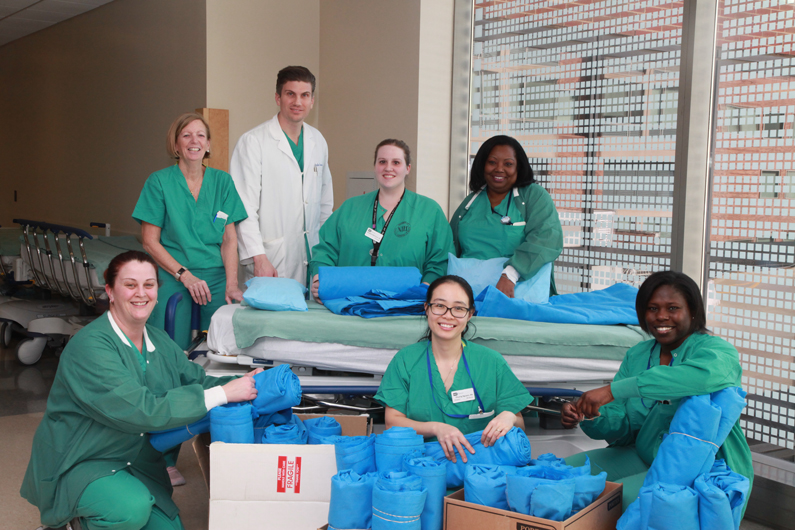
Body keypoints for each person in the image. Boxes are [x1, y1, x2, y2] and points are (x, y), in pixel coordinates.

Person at [21, 251, 261, 530]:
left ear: (157, 291)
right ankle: (70, 525)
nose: (141, 293)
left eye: (149, 285)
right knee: (130, 510)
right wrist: (224, 394)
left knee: (168, 527)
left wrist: (251, 383)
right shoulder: (90, 347)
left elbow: (196, 381)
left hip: (134, 460)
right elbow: (140, 409)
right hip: (81, 459)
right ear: (110, 291)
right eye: (130, 284)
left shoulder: (159, 340)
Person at [560, 270, 753, 513]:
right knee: (560, 475)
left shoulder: (717, 351)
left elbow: (693, 379)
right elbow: (623, 422)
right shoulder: (638, 354)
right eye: (652, 308)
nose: (661, 316)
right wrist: (590, 413)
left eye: (673, 308)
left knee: (612, 503)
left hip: (700, 465)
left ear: (692, 311)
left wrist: (612, 390)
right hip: (642, 454)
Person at [374, 275, 532, 462]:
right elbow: (393, 424)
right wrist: (436, 428)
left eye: (458, 308)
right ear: (427, 309)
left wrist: (508, 417)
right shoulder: (405, 360)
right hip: (420, 466)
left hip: (481, 470)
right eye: (440, 306)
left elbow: (519, 423)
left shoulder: (491, 362)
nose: (448, 315)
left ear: (470, 314)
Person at [133, 112, 248, 351]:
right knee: (168, 339)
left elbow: (229, 240)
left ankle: (215, 387)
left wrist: (232, 283)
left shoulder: (222, 182)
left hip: (216, 276)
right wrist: (184, 275)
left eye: (200, 136)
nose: (194, 141)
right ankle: (168, 382)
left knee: (226, 343)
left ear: (207, 144)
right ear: (176, 145)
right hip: (173, 273)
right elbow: (149, 242)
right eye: (186, 135)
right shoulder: (159, 182)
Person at [309, 139, 454, 302]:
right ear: (375, 167)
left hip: (407, 305)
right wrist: (319, 280)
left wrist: (425, 290)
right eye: (382, 161)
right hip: (349, 303)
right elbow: (325, 250)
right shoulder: (350, 208)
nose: (388, 168)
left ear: (408, 168)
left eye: (396, 162)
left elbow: (440, 260)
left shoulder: (429, 211)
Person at [231, 65, 333, 288]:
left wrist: (327, 252)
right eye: (290, 94)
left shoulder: (318, 141)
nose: (298, 102)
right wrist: (258, 256)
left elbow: (325, 204)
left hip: (314, 257)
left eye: (305, 95)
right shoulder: (253, 142)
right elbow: (244, 208)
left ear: (312, 100)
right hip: (271, 261)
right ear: (278, 98)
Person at [450, 135, 563, 297]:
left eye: (508, 164)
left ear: (519, 167)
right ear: (482, 165)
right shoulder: (471, 202)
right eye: (492, 162)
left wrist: (511, 274)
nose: (499, 169)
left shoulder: (533, 196)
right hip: (469, 294)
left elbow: (547, 238)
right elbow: (450, 245)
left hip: (517, 290)